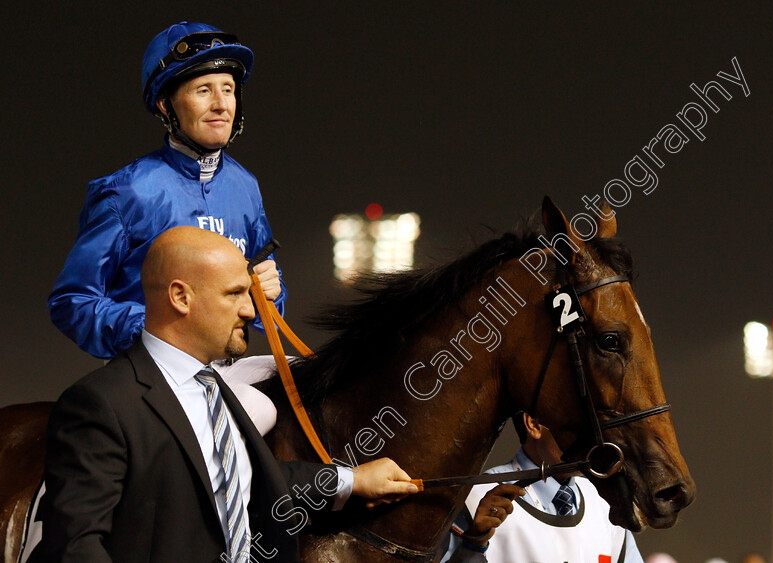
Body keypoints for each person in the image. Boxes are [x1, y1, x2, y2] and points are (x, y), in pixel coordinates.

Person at [30, 227, 419, 562]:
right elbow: (74, 549)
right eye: (234, 294)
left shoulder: (215, 388)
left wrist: (349, 480)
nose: (251, 311)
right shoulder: (101, 403)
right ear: (181, 297)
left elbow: (248, 478)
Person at [47, 21, 282, 433]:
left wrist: (269, 297)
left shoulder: (246, 187)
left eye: (228, 89)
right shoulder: (129, 191)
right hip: (148, 379)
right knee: (255, 409)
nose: (221, 104)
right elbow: (71, 302)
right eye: (203, 90)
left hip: (225, 371)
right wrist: (160, 331)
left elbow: (266, 311)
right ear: (165, 106)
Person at [442, 412, 643, 562]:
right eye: (576, 422)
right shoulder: (473, 498)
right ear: (534, 424)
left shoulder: (605, 503)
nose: (591, 437)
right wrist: (473, 543)